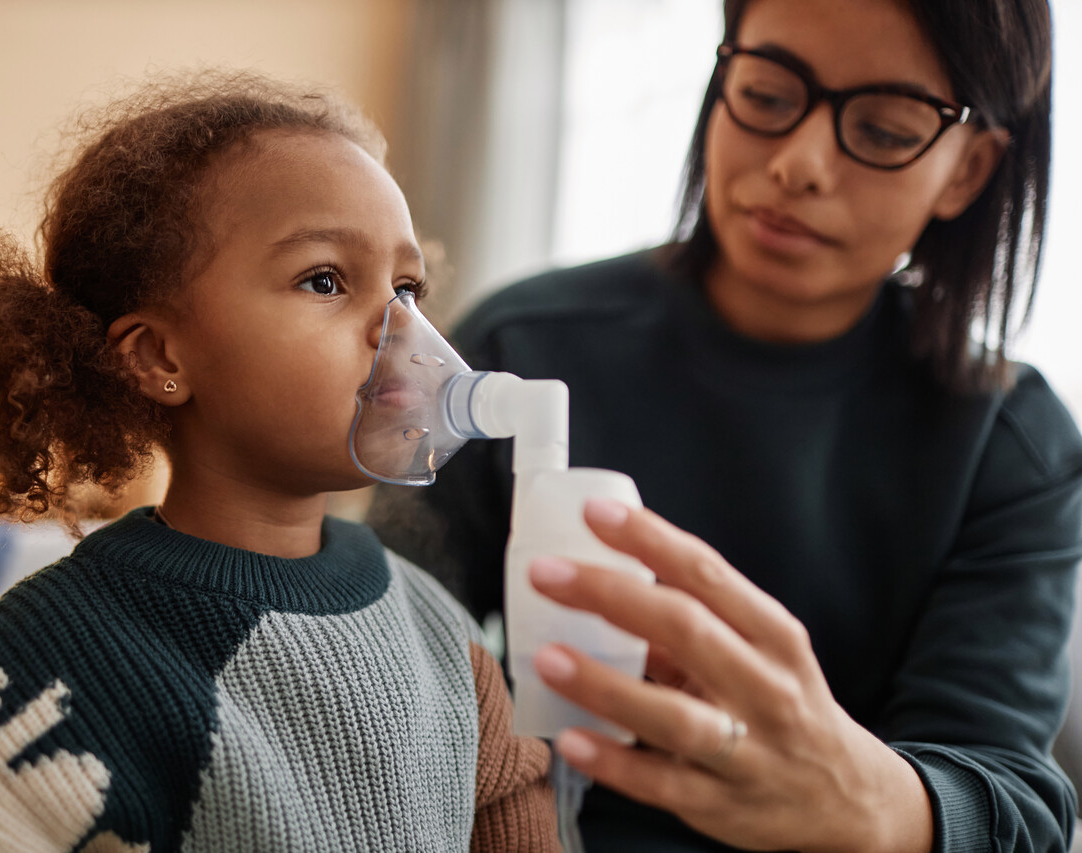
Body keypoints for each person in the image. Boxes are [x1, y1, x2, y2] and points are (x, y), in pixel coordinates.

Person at [368, 0, 1082, 850]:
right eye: (770, 96)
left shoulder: (1011, 443)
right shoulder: (522, 346)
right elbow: (385, 667)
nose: (799, 164)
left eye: (886, 131)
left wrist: (876, 803)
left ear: (968, 171)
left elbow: (1016, 800)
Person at [0, 72, 559, 852]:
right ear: (160, 355)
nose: (399, 328)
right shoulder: (47, 658)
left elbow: (513, 803)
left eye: (407, 287)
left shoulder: (439, 630)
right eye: (325, 279)